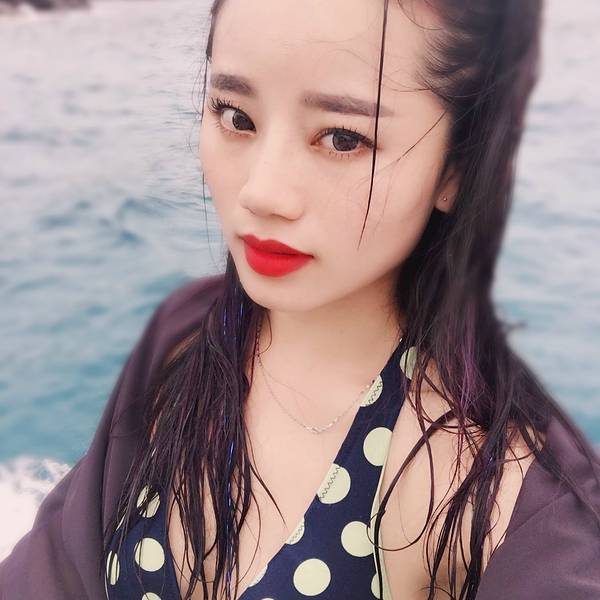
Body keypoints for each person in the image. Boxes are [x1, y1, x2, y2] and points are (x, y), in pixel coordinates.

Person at [2, 0, 600, 599]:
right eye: (236, 116)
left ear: (457, 167)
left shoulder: (489, 489)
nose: (262, 192)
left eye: (342, 138)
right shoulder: (185, 340)